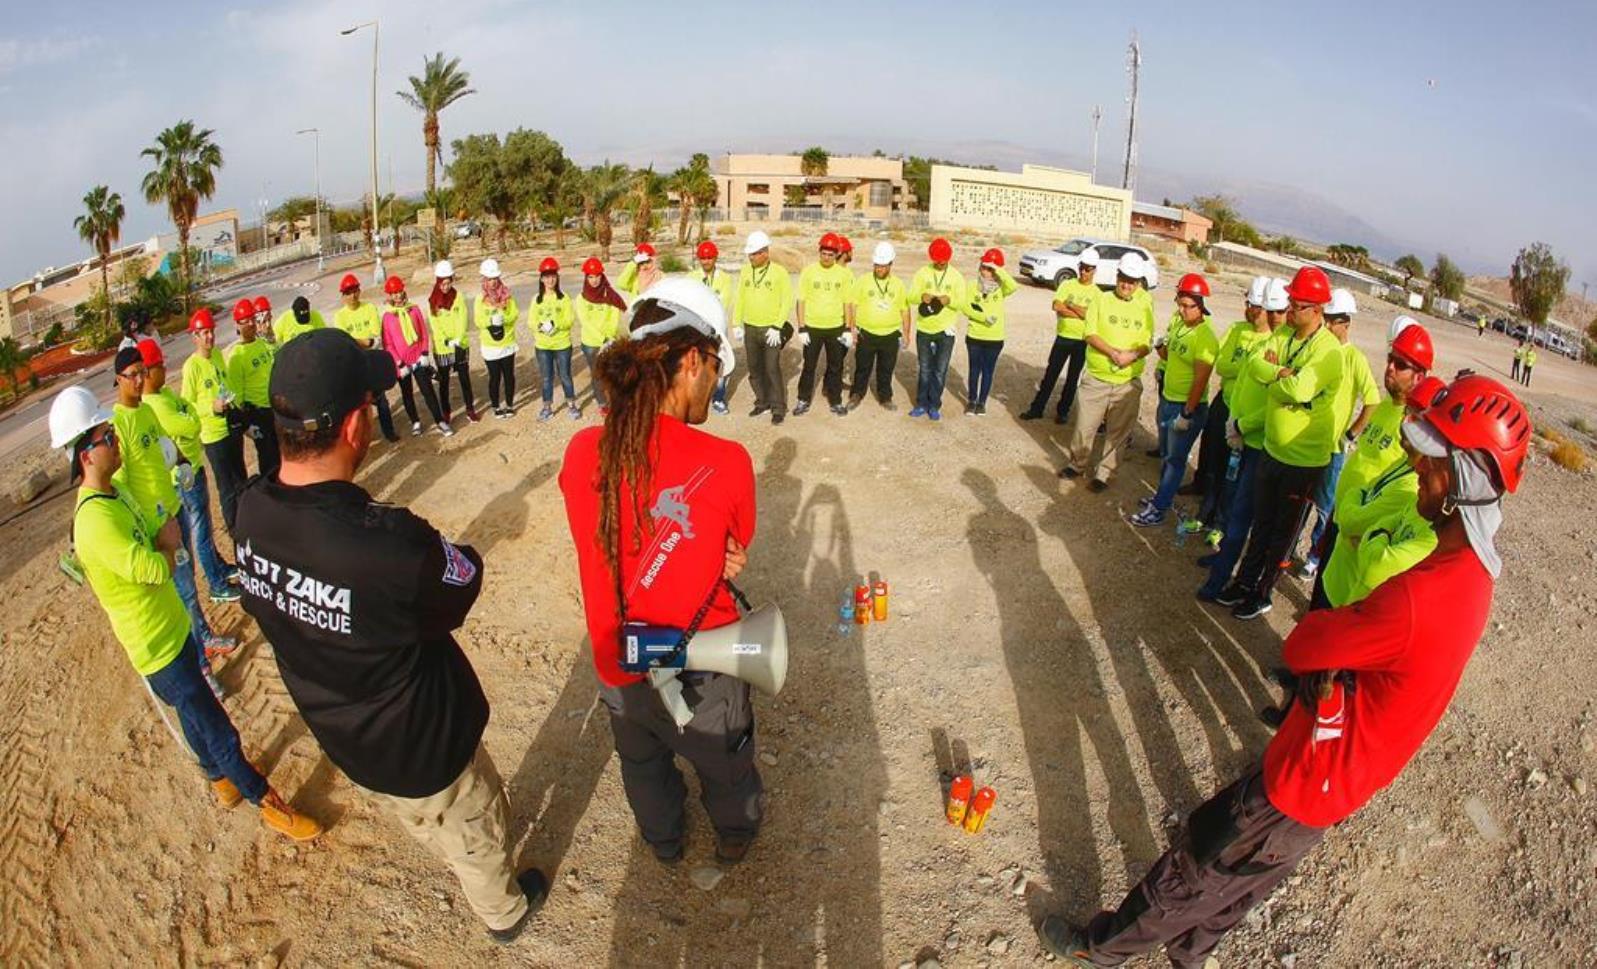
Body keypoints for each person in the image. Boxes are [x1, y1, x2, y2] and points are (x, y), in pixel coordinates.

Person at [1038, 373, 1531, 969]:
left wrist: (1340, 627)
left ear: (1460, 477)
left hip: (1307, 772)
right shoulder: (1475, 578)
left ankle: (1102, 948)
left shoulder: (1420, 595)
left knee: (1201, 860)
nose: (1417, 467)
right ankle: (1189, 956)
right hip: (1343, 779)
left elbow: (1304, 648)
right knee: (1244, 883)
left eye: (1429, 459)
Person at [233, 329, 545, 942]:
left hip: (349, 740)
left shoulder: (248, 511)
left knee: (428, 818)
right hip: (426, 748)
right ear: (355, 426)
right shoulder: (388, 544)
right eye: (371, 404)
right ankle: (503, 913)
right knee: (471, 830)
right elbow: (462, 583)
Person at [48, 385, 321, 843]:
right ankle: (267, 801)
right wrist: (168, 544)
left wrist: (163, 529)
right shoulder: (96, 523)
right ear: (84, 456)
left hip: (173, 628)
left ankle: (220, 781)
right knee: (215, 725)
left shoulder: (114, 493)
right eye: (105, 436)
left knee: (195, 717)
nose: (115, 440)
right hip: (156, 646)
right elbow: (151, 568)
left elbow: (154, 529)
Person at [559, 277, 764, 867]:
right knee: (725, 760)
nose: (717, 385)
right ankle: (734, 832)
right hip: (704, 663)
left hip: (618, 662)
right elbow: (732, 540)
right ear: (694, 361)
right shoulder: (727, 462)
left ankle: (665, 841)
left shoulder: (580, 452)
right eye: (718, 368)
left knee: (642, 762)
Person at [1213, 266, 1344, 621]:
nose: (1289, 310)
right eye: (1289, 302)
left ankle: (1262, 592)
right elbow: (1255, 363)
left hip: (1303, 462)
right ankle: (1244, 582)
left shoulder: (1329, 351)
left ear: (1317, 309)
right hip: (1272, 450)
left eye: (1297, 305)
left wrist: (1283, 379)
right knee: (1260, 524)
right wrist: (1279, 374)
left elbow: (1301, 389)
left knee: (1281, 535)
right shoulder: (1285, 335)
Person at [111, 345, 232, 697]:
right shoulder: (120, 423)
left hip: (174, 510)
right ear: (118, 379)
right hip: (157, 526)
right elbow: (119, 482)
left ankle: (205, 638)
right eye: (132, 375)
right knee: (185, 594)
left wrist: (180, 462)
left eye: (142, 373)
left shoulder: (147, 412)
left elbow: (166, 446)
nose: (139, 380)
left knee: (190, 584)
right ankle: (202, 667)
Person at [1314, 334, 1436, 610]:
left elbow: (1391, 492)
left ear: (1420, 375)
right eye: (1390, 360)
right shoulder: (1382, 409)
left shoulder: (1411, 430)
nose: (1390, 368)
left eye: (1401, 364)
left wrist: (1355, 514)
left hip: (1360, 527)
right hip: (1344, 513)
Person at [138, 338, 240, 651]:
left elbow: (189, 421)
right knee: (196, 542)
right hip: (179, 484)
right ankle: (215, 589)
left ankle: (217, 572)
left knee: (204, 528)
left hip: (192, 468)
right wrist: (192, 419)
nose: (163, 369)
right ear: (147, 371)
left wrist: (191, 420)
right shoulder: (155, 406)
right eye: (158, 366)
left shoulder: (166, 394)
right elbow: (186, 423)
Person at [1197, 279, 1289, 601]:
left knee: (1244, 518)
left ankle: (1224, 579)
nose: (1275, 316)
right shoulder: (1268, 342)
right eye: (1271, 309)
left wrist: (1242, 424)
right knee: (1234, 506)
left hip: (1261, 444)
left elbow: (1276, 405)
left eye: (1279, 310)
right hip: (1243, 437)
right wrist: (1235, 423)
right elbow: (1238, 380)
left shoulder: (1287, 348)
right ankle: (1223, 562)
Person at [1293, 288, 1378, 579]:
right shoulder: (1318, 347)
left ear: (1346, 323)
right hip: (1310, 440)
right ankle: (1289, 546)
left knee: (1325, 505)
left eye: (1333, 321)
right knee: (1302, 497)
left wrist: (1351, 434)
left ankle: (1316, 553)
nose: (1327, 326)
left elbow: (1372, 400)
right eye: (1325, 319)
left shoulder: (1354, 358)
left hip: (1333, 448)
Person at [1057, 252, 1157, 491]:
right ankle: (1077, 463)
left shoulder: (1144, 308)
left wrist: (1131, 355)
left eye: (1132, 281)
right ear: (1117, 276)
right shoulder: (1101, 300)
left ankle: (1104, 474)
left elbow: (1147, 342)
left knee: (1118, 433)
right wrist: (1113, 353)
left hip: (1126, 382)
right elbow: (1089, 333)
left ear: (1139, 283)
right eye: (1123, 278)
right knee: (1084, 426)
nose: (1126, 285)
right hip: (1097, 379)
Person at [1131, 273, 1218, 527]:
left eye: (1188, 306)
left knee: (1176, 460)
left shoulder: (1205, 337)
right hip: (1169, 399)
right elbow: (1170, 355)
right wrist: (1160, 347)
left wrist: (1188, 413)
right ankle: (1161, 497)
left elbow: (1201, 379)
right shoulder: (1180, 325)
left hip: (1186, 407)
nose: (1182, 310)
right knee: (1167, 455)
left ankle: (1159, 509)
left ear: (1200, 305)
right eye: (1179, 303)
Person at [1193, 277, 1271, 546]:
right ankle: (1204, 514)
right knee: (1213, 462)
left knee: (1233, 473)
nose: (1250, 310)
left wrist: (1245, 368)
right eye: (1249, 304)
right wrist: (1249, 368)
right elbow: (1223, 365)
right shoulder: (1237, 330)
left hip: (1244, 417)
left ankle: (1221, 524)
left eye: (1256, 307)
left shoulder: (1272, 340)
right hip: (1224, 404)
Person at [179, 308, 249, 534]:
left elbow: (225, 385)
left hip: (230, 427)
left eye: (211, 331)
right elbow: (186, 405)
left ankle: (248, 524)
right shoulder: (191, 367)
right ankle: (235, 530)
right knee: (227, 487)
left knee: (241, 479)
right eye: (204, 333)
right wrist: (211, 407)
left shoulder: (218, 356)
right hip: (213, 435)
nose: (209, 337)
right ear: (195, 337)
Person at [1022, 248, 1101, 423]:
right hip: (1063, 337)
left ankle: (1063, 411)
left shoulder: (1097, 294)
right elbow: (1057, 306)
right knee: (1051, 375)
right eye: (1082, 267)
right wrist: (1080, 313)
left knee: (1072, 379)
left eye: (1088, 269)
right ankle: (1037, 408)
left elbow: (1091, 315)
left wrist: (1070, 304)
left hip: (1081, 341)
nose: (1083, 272)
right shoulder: (1067, 284)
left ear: (1094, 270)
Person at [733, 230, 793, 425]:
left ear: (765, 253)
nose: (750, 257)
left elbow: (786, 301)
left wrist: (777, 326)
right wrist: (737, 323)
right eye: (749, 254)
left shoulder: (779, 272)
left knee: (771, 368)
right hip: (750, 328)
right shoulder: (745, 271)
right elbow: (740, 297)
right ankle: (762, 401)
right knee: (755, 368)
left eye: (754, 254)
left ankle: (778, 407)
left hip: (770, 330)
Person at [380, 275, 451, 437]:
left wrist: (424, 353)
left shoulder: (414, 309)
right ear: (389, 296)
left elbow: (424, 334)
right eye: (393, 293)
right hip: (402, 364)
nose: (397, 295)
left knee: (428, 390)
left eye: (399, 291)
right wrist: (399, 363)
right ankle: (415, 421)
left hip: (418, 358)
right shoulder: (387, 317)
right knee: (407, 393)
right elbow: (388, 344)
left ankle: (440, 420)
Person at [334, 273, 399, 441]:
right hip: (354, 368)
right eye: (348, 293)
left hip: (370, 363)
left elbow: (376, 338)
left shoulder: (369, 308)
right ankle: (362, 439)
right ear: (343, 296)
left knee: (382, 402)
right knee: (359, 407)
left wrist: (357, 341)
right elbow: (344, 343)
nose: (352, 295)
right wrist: (364, 341)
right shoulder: (340, 316)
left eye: (355, 291)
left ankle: (389, 432)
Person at [794, 232, 854, 417]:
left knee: (836, 366)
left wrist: (848, 328)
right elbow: (801, 301)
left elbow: (848, 302)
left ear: (837, 254)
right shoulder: (809, 272)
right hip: (812, 327)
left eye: (831, 254)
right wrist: (802, 327)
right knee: (809, 366)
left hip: (835, 327)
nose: (827, 257)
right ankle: (803, 399)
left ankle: (835, 401)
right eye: (824, 253)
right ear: (819, 252)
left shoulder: (843, 274)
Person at [908, 237, 966, 421]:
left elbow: (962, 303)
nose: (940, 262)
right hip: (924, 329)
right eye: (937, 258)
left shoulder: (956, 276)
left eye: (944, 258)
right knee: (925, 369)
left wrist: (949, 300)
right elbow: (910, 297)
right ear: (931, 257)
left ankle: (934, 405)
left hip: (945, 331)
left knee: (940, 370)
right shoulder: (922, 273)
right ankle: (921, 403)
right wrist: (921, 295)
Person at [226, 298, 282, 481]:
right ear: (237, 325)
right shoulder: (237, 357)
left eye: (252, 319)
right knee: (269, 460)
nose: (250, 324)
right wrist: (247, 425)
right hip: (258, 414)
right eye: (245, 321)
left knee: (283, 455)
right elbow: (237, 398)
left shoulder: (261, 344)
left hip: (274, 407)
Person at [959, 248, 1017, 415]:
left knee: (988, 371)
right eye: (984, 266)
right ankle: (971, 400)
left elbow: (1013, 287)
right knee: (974, 370)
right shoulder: (971, 285)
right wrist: (982, 317)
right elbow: (965, 307)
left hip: (994, 338)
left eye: (990, 268)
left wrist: (998, 268)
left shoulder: (1001, 288)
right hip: (975, 335)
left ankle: (982, 402)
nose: (986, 271)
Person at [427, 260, 479, 424]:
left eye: (448, 283)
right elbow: (435, 325)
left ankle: (470, 409)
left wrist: (457, 339)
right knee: (444, 382)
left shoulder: (458, 297)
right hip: (443, 348)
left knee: (464, 379)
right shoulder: (433, 301)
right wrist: (445, 340)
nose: (446, 287)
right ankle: (446, 412)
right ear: (438, 282)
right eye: (443, 284)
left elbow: (462, 319)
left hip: (459, 344)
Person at [531, 257, 580, 421]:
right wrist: (540, 326)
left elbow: (570, 319)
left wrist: (555, 324)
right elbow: (531, 321)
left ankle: (572, 405)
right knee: (546, 377)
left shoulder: (564, 298)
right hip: (543, 345)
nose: (550, 280)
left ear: (557, 278)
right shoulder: (536, 299)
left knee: (565, 375)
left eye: (553, 276)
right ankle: (547, 407)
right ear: (541, 279)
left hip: (562, 344)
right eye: (546, 276)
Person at [577, 256, 627, 411]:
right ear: (586, 278)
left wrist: (609, 337)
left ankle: (615, 400)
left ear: (602, 276)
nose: (594, 280)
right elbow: (586, 322)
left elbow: (614, 315)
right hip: (591, 344)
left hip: (610, 341)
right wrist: (601, 338)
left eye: (597, 276)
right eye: (590, 277)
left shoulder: (609, 295)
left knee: (613, 373)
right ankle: (602, 403)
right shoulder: (581, 298)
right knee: (597, 374)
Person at [691, 242, 736, 415]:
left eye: (709, 257)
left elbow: (722, 303)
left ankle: (718, 397)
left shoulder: (724, 278)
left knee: (719, 364)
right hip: (698, 328)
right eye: (703, 258)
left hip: (717, 329)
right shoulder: (692, 277)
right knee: (697, 363)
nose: (706, 261)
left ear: (715, 257)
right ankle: (698, 398)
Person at [476, 258, 522, 418]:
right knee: (494, 377)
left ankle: (509, 404)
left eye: (495, 278)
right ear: (484, 280)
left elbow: (514, 314)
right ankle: (496, 406)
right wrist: (490, 321)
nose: (493, 282)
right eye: (489, 279)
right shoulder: (480, 299)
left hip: (507, 342)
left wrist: (504, 318)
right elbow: (478, 320)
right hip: (490, 346)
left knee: (509, 375)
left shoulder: (507, 296)